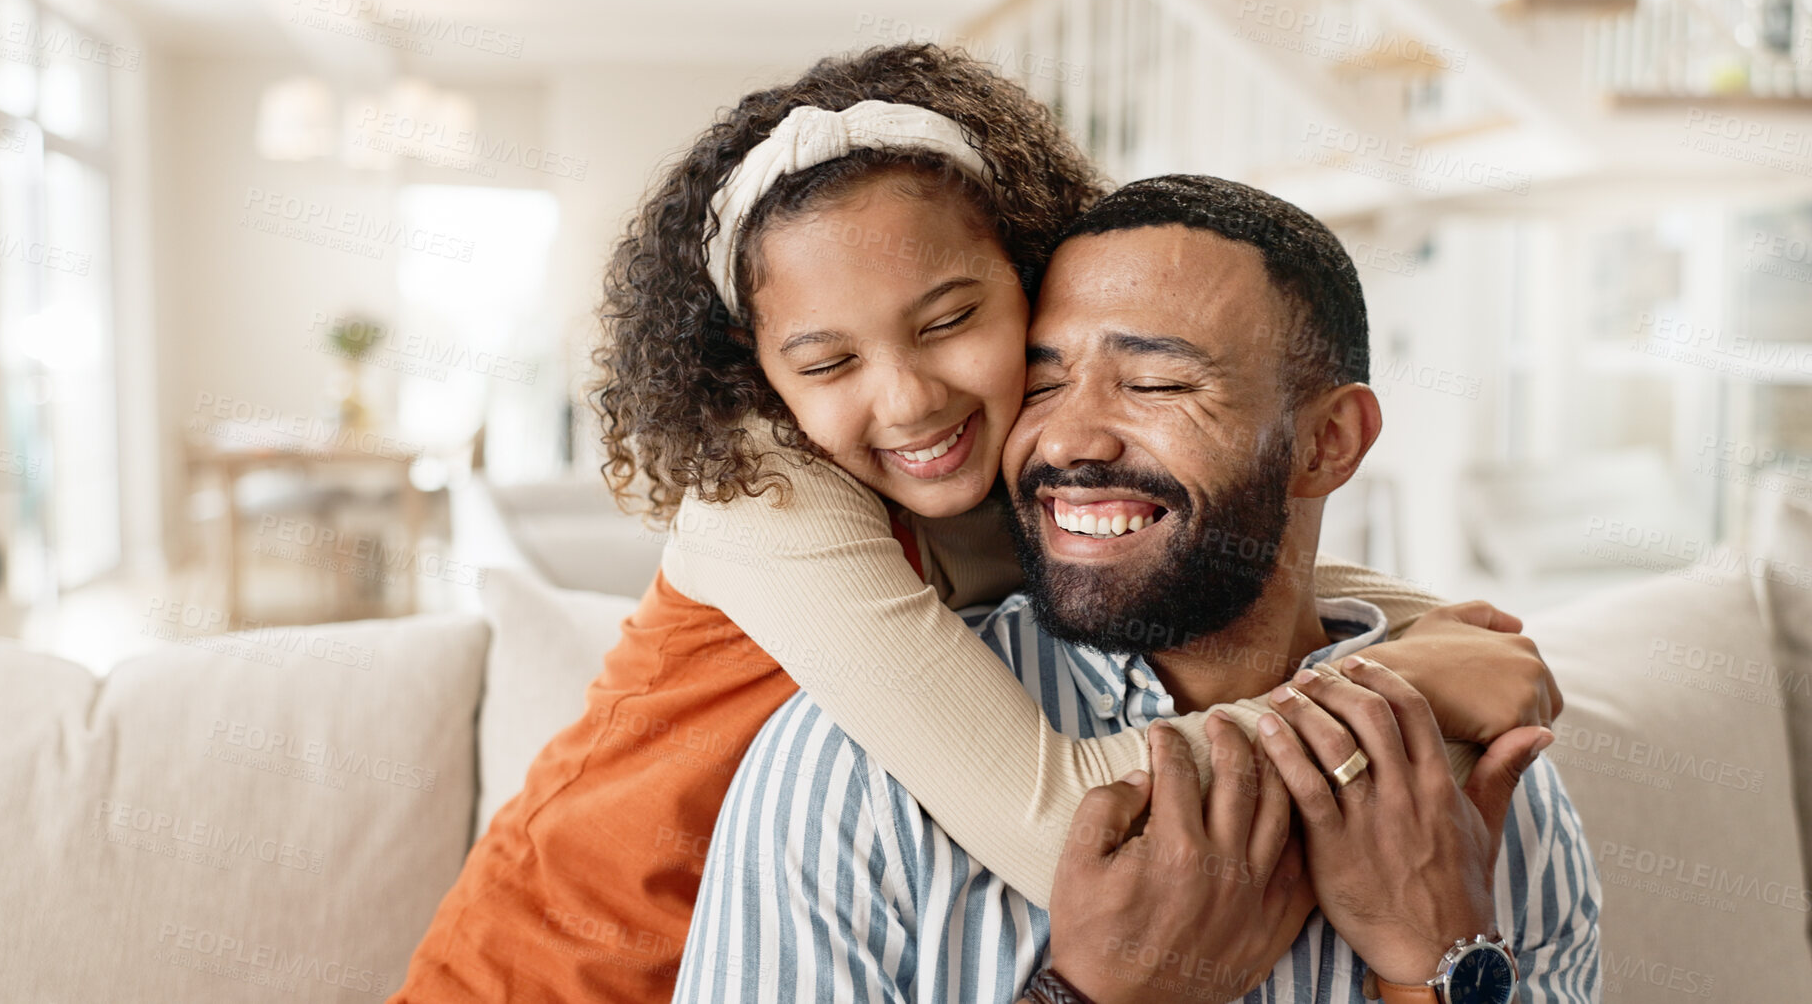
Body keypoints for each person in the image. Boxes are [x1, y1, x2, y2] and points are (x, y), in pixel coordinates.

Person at [394, 48, 1559, 1003]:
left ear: (1028, 276)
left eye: (950, 319)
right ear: (759, 380)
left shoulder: (1016, 462)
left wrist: (1420, 627)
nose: (908, 400)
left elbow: (1223, 544)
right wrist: (1404, 689)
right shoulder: (770, 491)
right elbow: (1059, 826)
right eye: (828, 359)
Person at [674, 175, 1600, 1004]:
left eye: (1155, 382)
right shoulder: (855, 759)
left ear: (1327, 443)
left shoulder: (1486, 779)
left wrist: (1437, 969)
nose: (1072, 439)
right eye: (1041, 383)